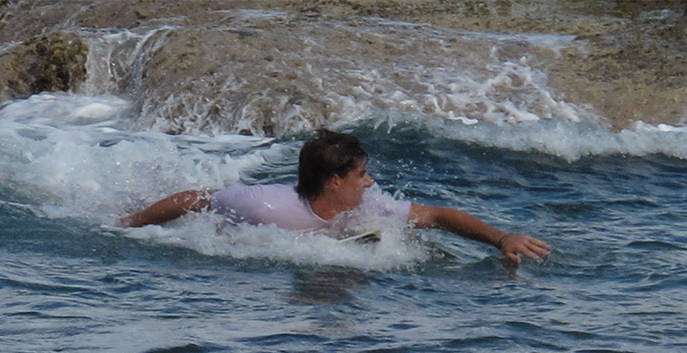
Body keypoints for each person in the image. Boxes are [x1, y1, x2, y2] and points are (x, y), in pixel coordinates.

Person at [119, 130, 551, 263]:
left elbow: (437, 216)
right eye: (361, 175)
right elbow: (197, 198)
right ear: (333, 181)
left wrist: (500, 239)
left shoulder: (371, 207)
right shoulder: (264, 204)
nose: (369, 183)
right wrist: (134, 224)